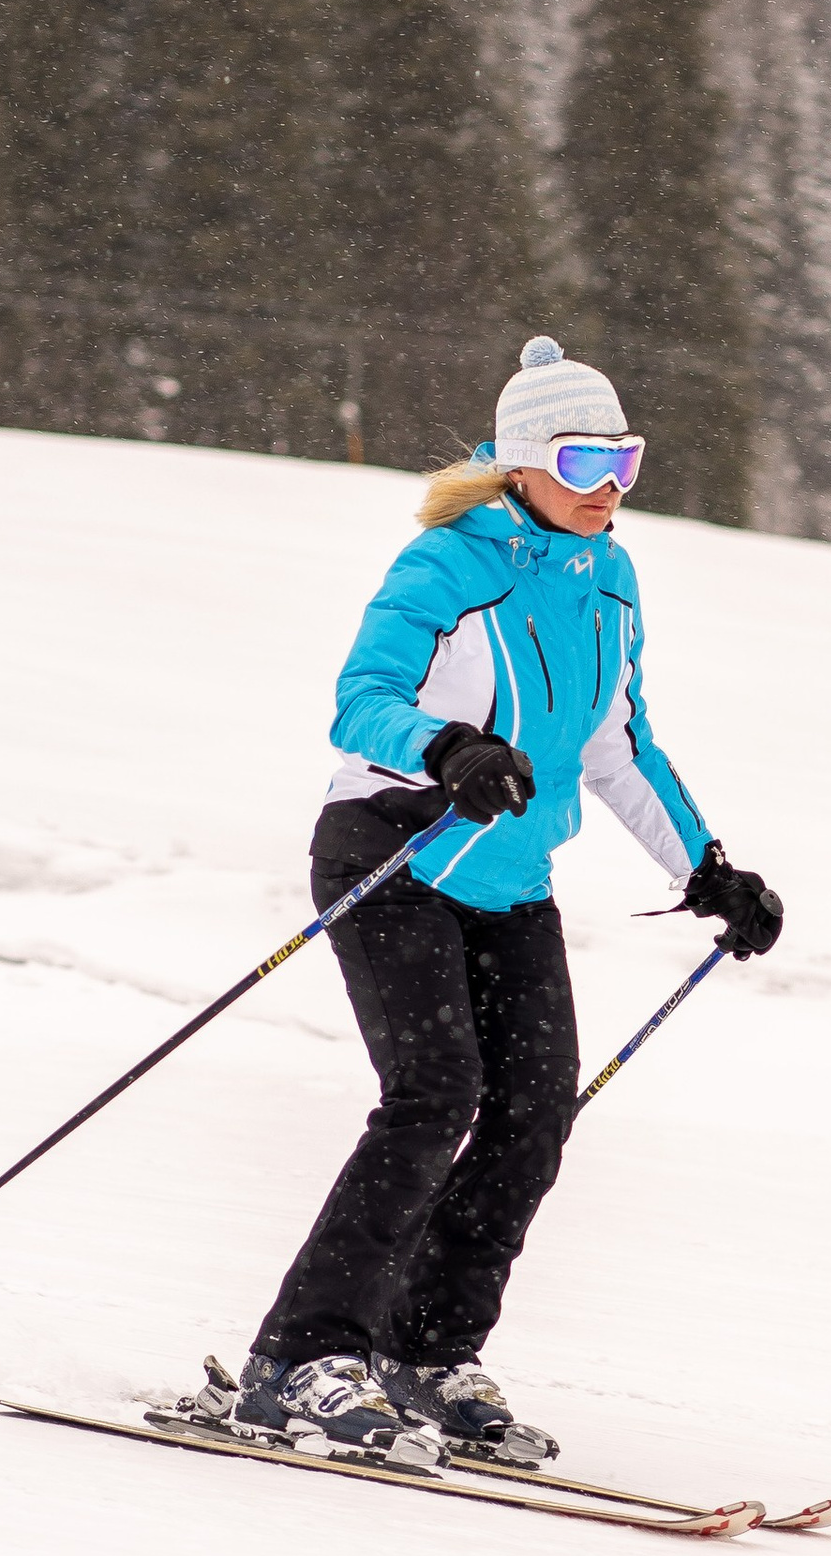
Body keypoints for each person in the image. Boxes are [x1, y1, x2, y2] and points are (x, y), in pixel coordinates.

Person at [227, 336, 781, 1466]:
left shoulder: (610, 582)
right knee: (435, 1097)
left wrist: (705, 870)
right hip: (396, 854)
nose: (610, 488)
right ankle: (300, 1357)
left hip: (509, 881)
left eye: (625, 459)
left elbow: (619, 747)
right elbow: (361, 703)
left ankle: (424, 1354)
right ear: (523, 464)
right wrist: (446, 749)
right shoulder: (445, 565)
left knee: (533, 1113)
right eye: (585, 463)